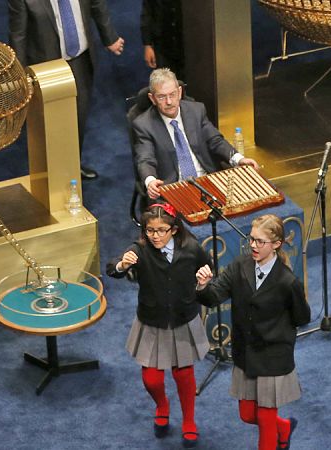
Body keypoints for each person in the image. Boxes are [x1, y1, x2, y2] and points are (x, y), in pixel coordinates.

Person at [195, 214, 310, 450]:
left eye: (260, 242)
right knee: (247, 415)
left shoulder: (287, 282)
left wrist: (279, 333)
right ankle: (284, 427)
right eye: (252, 240)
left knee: (266, 420)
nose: (254, 246)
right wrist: (203, 286)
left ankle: (276, 432)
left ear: (276, 244)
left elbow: (302, 317)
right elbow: (214, 296)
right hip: (245, 353)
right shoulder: (239, 265)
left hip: (273, 357)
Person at [106, 202, 211, 448]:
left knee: (183, 374)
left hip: (182, 318)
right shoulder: (140, 250)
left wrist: (203, 282)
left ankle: (188, 421)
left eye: (161, 230)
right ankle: (162, 405)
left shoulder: (192, 249)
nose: (155, 236)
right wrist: (122, 265)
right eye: (150, 231)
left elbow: (208, 267)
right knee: (152, 379)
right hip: (152, 321)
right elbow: (113, 268)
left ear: (174, 229)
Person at [8, 0, 125, 180]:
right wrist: (21, 78)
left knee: (79, 117)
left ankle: (72, 167)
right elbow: (18, 35)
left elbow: (96, 4)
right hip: (47, 66)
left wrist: (109, 37)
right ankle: (52, 175)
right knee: (51, 125)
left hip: (81, 59)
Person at [132, 68, 259, 200]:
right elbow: (145, 159)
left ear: (180, 92)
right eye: (162, 97)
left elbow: (215, 140)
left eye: (172, 94)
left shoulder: (197, 110)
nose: (169, 102)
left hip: (207, 181)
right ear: (152, 98)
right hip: (174, 188)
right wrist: (150, 181)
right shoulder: (144, 125)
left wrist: (239, 159)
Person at [141, 0, 184, 77]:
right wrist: (147, 45)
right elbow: (147, 14)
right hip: (162, 45)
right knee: (163, 80)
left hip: (186, 41)